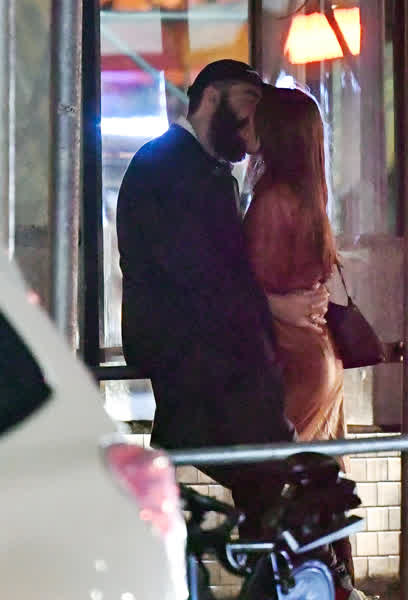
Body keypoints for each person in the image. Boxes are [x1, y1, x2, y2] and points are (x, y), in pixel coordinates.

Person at [116, 60, 328, 536]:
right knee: (269, 474)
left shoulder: (190, 168)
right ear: (212, 96)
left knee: (269, 480)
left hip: (214, 353)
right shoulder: (169, 167)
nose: (255, 117)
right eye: (248, 101)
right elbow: (198, 273)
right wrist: (273, 306)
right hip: (200, 351)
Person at [244, 85, 359, 588]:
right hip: (317, 352)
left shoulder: (272, 200)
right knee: (316, 489)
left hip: (291, 352)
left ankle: (317, 586)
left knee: (280, 494)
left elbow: (250, 284)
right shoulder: (310, 195)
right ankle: (338, 583)